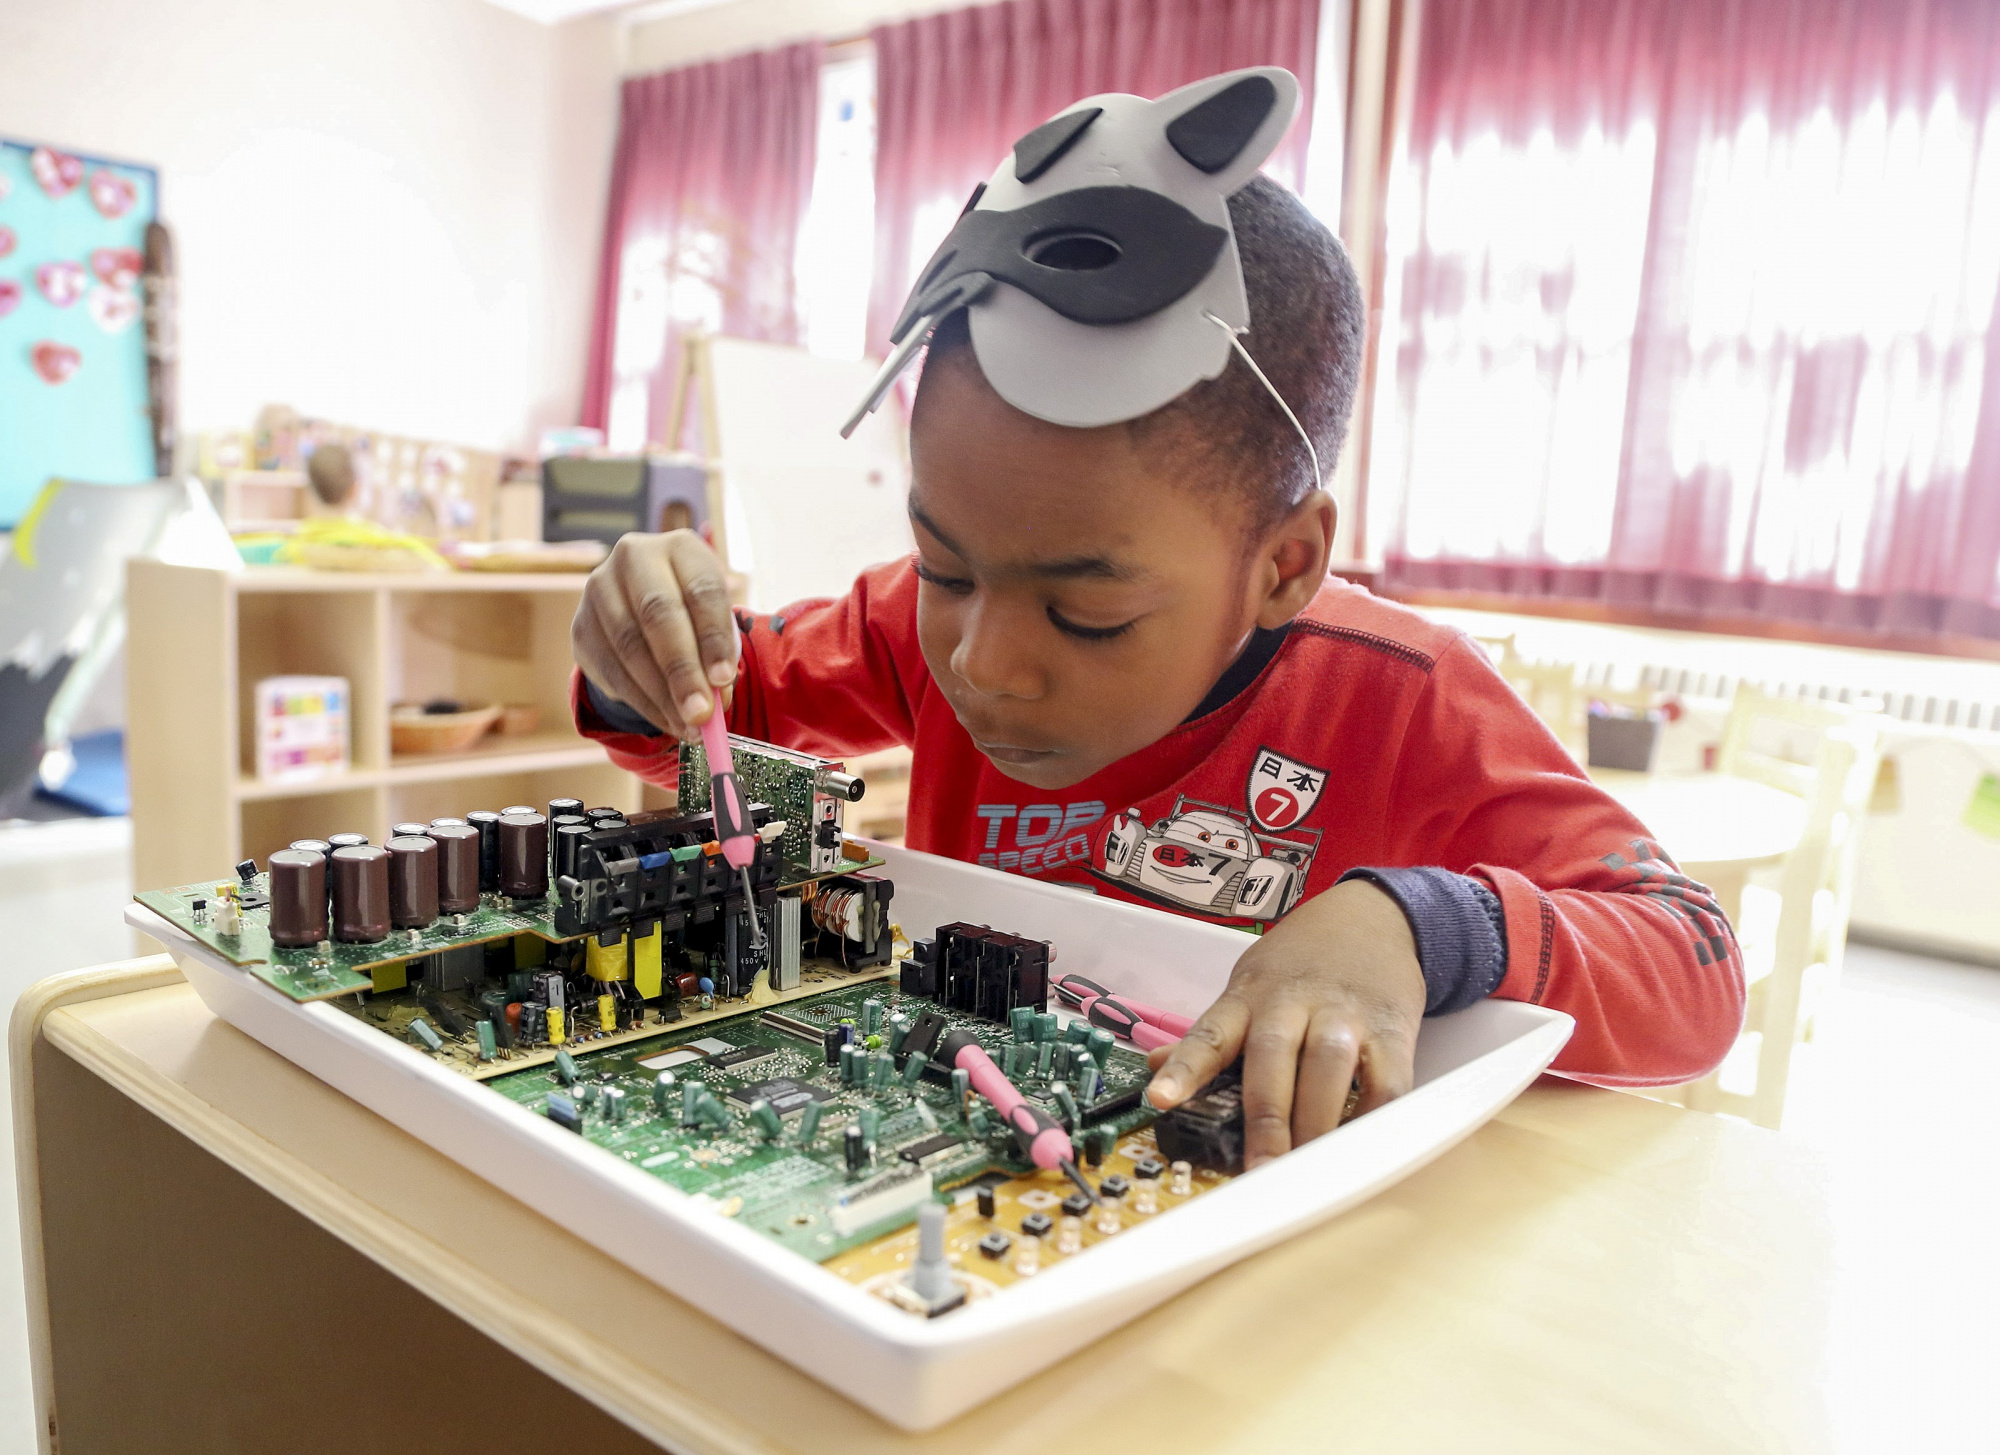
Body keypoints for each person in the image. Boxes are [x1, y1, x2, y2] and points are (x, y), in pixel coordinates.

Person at [570, 70, 1743, 1170]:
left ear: (1283, 565)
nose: (983, 663)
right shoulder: (909, 626)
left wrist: (1422, 925)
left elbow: (1692, 966)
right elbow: (705, 714)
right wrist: (645, 646)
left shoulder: (1398, 696)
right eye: (944, 563)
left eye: (1086, 613)